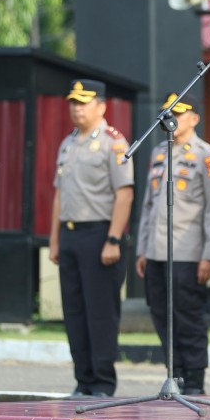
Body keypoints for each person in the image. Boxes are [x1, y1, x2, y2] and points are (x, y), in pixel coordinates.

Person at [49, 79, 134, 398]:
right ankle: (83, 380)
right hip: (70, 235)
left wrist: (113, 240)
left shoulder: (115, 143)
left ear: (101, 106)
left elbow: (124, 194)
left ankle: (101, 383)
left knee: (100, 312)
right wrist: (55, 239)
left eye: (83, 102)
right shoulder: (68, 143)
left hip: (100, 235)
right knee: (74, 312)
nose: (76, 108)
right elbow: (59, 195)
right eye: (73, 102)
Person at [135, 93, 210, 395]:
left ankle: (195, 381)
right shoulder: (159, 152)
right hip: (157, 251)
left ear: (194, 118)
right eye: (167, 113)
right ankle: (175, 376)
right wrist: (143, 249)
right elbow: (149, 205)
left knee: (188, 319)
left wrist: (209, 255)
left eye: (179, 113)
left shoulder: (206, 156)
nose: (171, 118)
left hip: (188, 252)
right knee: (162, 316)